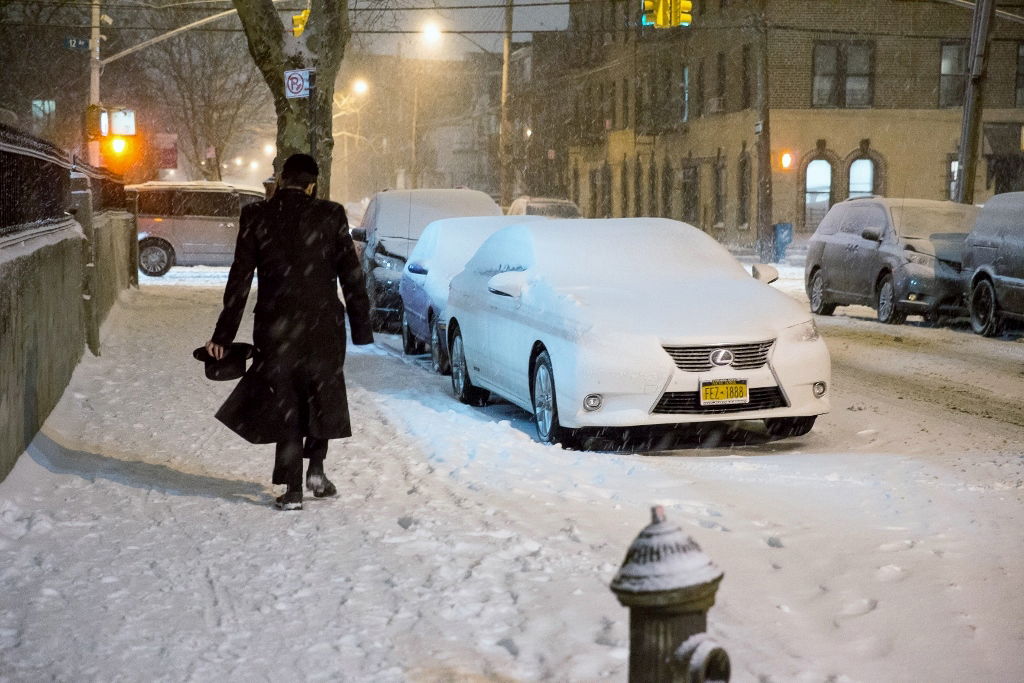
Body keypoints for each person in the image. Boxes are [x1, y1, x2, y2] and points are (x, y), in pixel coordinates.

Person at [205, 153, 373, 511]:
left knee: (287, 402)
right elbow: (352, 275)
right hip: (323, 326)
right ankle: (317, 471)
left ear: (281, 179)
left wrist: (223, 335)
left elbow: (239, 279)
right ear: (312, 185)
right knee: (321, 396)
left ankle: (294, 489)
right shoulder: (331, 215)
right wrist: (361, 326)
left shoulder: (256, 216)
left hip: (275, 328)